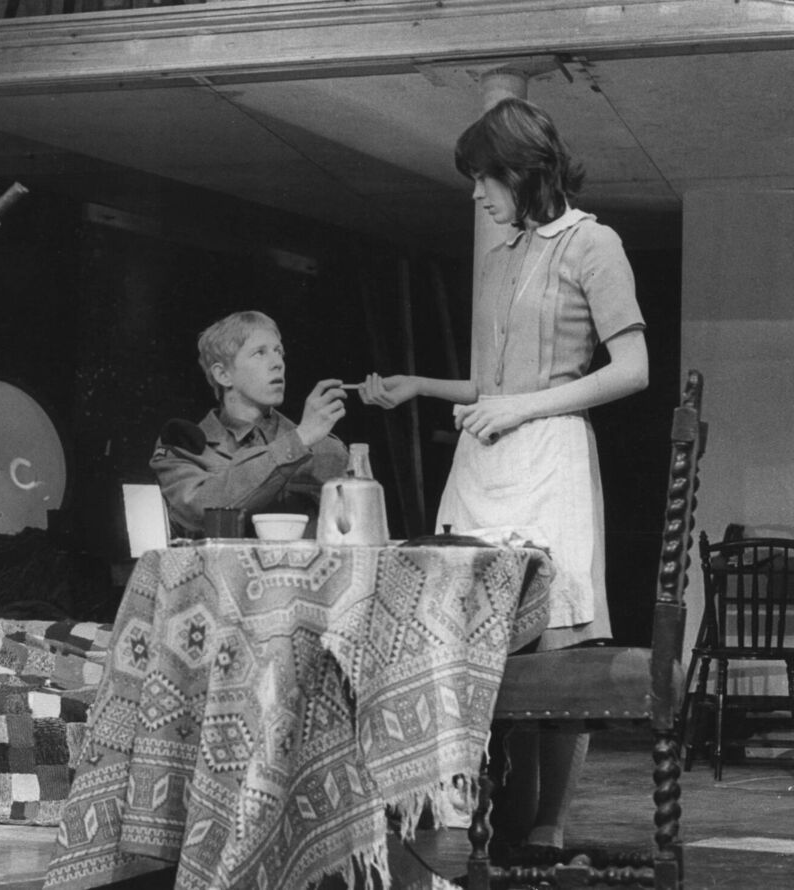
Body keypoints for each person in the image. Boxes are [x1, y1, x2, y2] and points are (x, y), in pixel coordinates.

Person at [360, 97, 649, 849]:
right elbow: (493, 386)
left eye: (484, 178)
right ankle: (478, 822)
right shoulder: (506, 254)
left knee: (554, 650)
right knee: (471, 646)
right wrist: (420, 384)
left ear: (521, 171)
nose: (475, 194)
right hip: (485, 462)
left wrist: (521, 409)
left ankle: (549, 825)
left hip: (548, 456)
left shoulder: (594, 244)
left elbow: (633, 370)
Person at [150, 310, 349, 538]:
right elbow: (200, 510)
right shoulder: (184, 446)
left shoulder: (326, 449)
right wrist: (298, 441)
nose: (277, 363)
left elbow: (352, 534)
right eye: (259, 353)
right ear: (223, 375)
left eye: (279, 352)